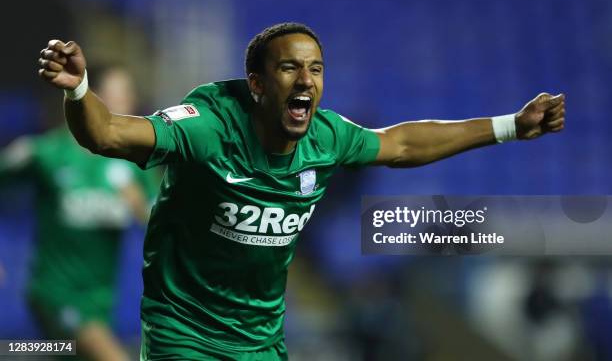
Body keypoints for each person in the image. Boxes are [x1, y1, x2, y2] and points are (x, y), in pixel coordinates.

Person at [37, 22, 565, 360]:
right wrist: (80, 89)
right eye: (289, 67)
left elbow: (402, 143)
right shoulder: (207, 127)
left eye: (315, 69)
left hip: (261, 340)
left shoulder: (328, 137)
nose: (306, 80)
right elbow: (106, 133)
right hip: (185, 334)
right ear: (258, 84)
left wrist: (510, 126)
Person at [1, 65, 159, 360]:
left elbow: (161, 225)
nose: (124, 104)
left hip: (100, 302)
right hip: (56, 292)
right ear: (90, 98)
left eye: (128, 96)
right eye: (115, 95)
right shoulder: (45, 152)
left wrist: (140, 207)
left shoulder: (133, 164)